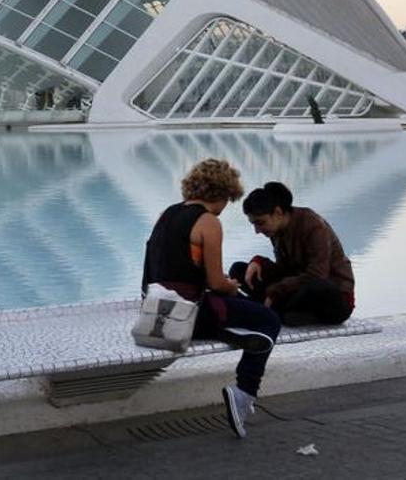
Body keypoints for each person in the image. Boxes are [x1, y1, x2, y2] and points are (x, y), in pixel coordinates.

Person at [142, 158, 281, 439]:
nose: (225, 207)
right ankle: (243, 393)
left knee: (244, 313)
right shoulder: (208, 222)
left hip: (156, 310)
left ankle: (231, 332)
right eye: (228, 199)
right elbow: (216, 282)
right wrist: (231, 286)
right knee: (268, 319)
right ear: (221, 193)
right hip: (190, 315)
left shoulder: (166, 214)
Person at [234, 182, 355, 326]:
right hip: (298, 288)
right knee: (238, 270)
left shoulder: (313, 226)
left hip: (333, 297)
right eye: (254, 224)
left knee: (317, 286)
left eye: (260, 223)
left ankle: (275, 309)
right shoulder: (276, 230)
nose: (257, 230)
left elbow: (317, 275)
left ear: (278, 212)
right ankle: (278, 310)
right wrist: (259, 262)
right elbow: (285, 270)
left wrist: (275, 290)